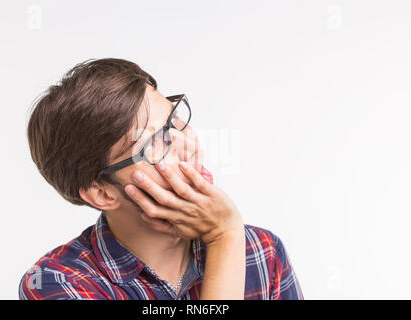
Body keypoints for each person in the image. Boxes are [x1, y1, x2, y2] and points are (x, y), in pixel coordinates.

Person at [19, 58, 303, 300]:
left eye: (175, 121)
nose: (188, 144)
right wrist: (223, 238)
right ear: (102, 192)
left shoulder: (262, 252)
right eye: (153, 144)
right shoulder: (59, 282)